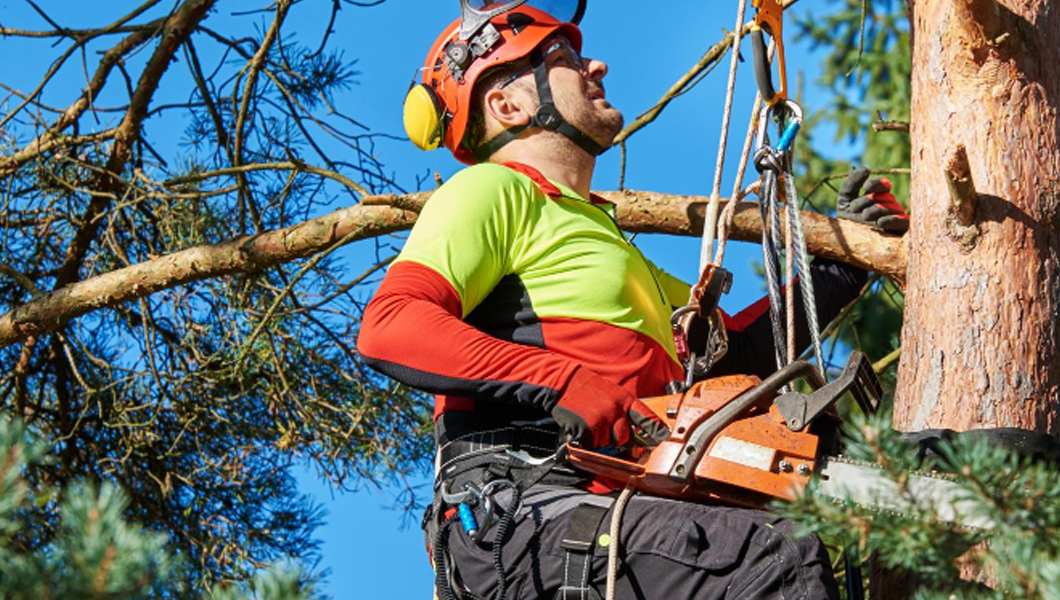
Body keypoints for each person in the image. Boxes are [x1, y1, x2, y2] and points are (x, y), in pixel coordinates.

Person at [357, 2, 908, 598]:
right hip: (522, 510)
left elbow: (737, 352)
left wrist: (839, 265)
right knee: (767, 558)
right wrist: (560, 381)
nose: (597, 64)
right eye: (564, 59)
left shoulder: (608, 247)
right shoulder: (494, 190)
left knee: (788, 542)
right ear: (506, 105)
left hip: (613, 514)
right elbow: (393, 325)